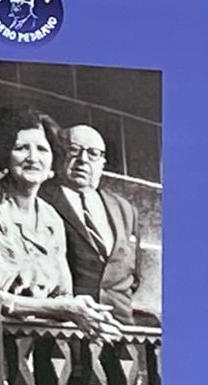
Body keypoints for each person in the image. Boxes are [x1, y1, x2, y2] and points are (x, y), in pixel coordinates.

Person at [0, 115, 116, 335]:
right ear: (5, 154)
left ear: (53, 158)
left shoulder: (51, 217)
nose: (33, 158)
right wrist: (63, 308)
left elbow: (62, 294)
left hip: (35, 344)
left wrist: (84, 307)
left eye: (42, 149)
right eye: (21, 148)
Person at [41, 124, 142, 317]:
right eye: (74, 150)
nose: (83, 160)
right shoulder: (41, 198)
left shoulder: (125, 209)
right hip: (65, 328)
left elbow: (134, 275)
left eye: (93, 153)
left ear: (102, 162)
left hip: (120, 329)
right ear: (59, 154)